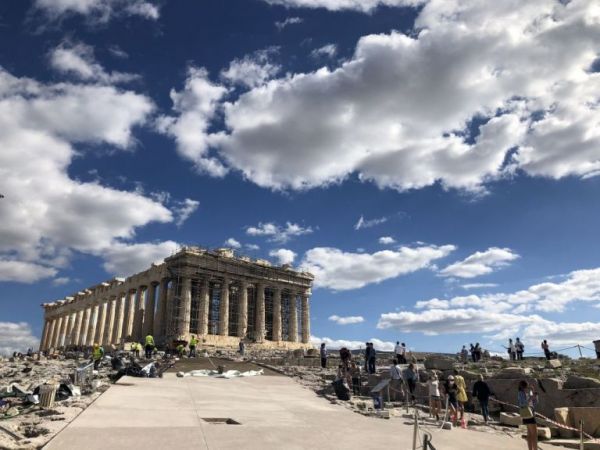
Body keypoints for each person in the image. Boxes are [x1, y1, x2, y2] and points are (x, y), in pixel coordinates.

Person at [518, 380, 538, 450]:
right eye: (526, 386)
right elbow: (522, 404)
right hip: (528, 413)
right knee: (534, 435)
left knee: (530, 434)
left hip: (530, 412)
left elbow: (534, 403)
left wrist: (534, 395)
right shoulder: (521, 393)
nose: (527, 388)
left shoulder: (527, 393)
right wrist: (530, 398)